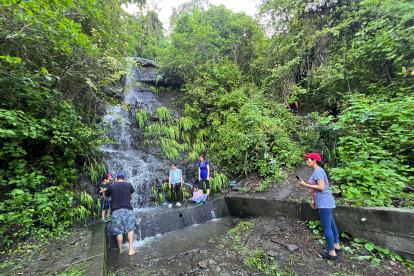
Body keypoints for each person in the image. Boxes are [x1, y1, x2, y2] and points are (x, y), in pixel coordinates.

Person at [298, 153, 341, 260]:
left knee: (327, 227)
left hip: (325, 202)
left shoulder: (318, 171)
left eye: (308, 159)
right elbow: (317, 190)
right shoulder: (318, 171)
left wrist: (305, 185)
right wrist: (314, 201)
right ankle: (336, 245)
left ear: (314, 161)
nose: (306, 161)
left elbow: (321, 187)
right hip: (325, 201)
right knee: (331, 224)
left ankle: (332, 252)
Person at [104, 171, 136, 256]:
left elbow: (106, 198)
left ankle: (120, 250)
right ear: (124, 178)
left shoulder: (111, 186)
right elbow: (131, 197)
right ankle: (131, 249)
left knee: (118, 231)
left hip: (116, 211)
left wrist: (103, 192)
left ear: (116, 178)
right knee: (130, 229)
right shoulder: (129, 185)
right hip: (128, 209)